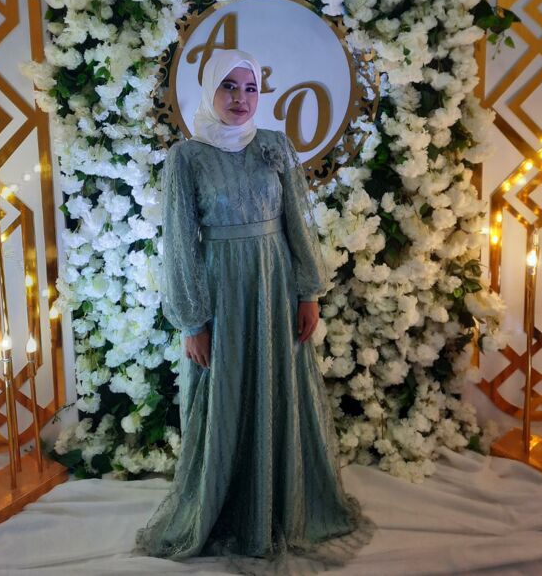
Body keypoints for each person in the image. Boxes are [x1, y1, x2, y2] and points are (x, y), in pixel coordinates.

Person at [135, 48, 371, 567]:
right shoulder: (187, 157)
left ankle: (281, 505)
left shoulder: (273, 145)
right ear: (209, 90)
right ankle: (225, 507)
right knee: (224, 392)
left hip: (275, 286)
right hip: (222, 293)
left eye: (250, 88)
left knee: (277, 388)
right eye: (229, 86)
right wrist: (193, 321)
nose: (240, 99)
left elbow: (296, 223)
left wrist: (308, 292)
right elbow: (180, 243)